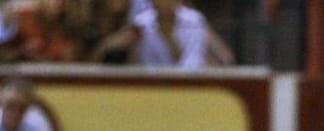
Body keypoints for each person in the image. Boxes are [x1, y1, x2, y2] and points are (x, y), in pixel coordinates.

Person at [92, 0, 231, 67]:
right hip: (150, 88)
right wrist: (105, 47)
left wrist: (169, 37)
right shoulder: (141, 23)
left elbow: (190, 64)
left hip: (189, 87)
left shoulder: (194, 21)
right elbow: (134, 60)